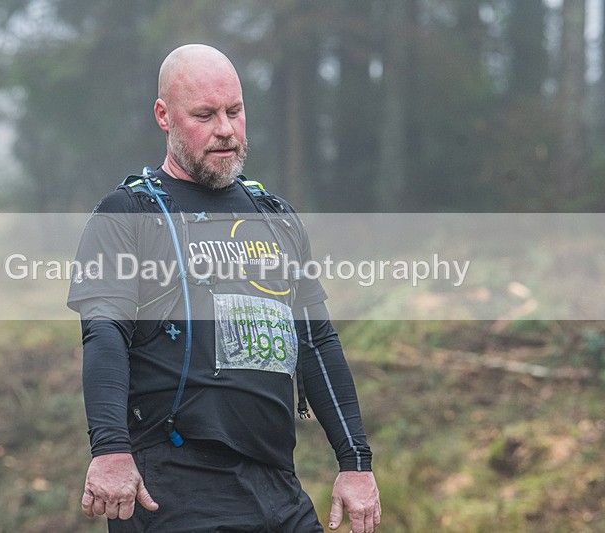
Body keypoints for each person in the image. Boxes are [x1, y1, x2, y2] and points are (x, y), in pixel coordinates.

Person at [67, 43, 381, 532]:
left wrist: (355, 462)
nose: (225, 130)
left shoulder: (275, 217)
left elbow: (317, 343)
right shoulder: (128, 214)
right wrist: (110, 451)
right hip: (173, 488)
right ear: (164, 116)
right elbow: (104, 336)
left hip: (277, 488)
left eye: (234, 111)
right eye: (205, 115)